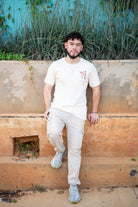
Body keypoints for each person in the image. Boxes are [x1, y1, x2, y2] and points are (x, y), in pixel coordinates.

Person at [43, 31, 100, 204]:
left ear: (81, 48)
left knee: (76, 149)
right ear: (65, 45)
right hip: (58, 108)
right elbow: (47, 88)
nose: (74, 47)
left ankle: (73, 185)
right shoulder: (56, 65)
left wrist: (94, 111)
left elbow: (96, 89)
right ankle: (60, 150)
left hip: (78, 112)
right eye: (71, 43)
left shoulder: (88, 67)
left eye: (77, 44)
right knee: (52, 132)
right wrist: (48, 108)